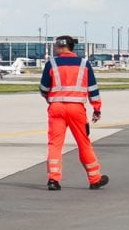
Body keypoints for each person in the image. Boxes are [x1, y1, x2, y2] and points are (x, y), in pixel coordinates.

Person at [40, 34, 108, 191]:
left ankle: (53, 180)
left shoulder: (52, 63)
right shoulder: (84, 64)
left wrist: (51, 98)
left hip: (56, 108)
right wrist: (96, 108)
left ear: (61, 47)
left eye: (56, 46)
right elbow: (93, 89)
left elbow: (44, 88)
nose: (55, 49)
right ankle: (94, 179)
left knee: (55, 144)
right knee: (84, 143)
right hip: (77, 109)